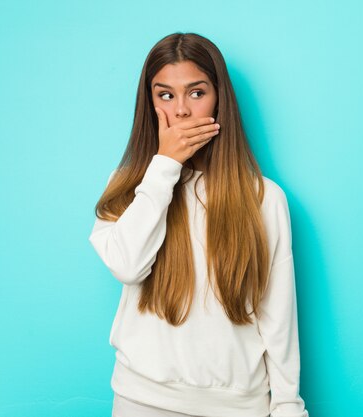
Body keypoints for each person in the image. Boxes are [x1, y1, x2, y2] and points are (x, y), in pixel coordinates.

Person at [88, 32, 309, 417]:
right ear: (150, 102)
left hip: (237, 406)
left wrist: (289, 407)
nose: (182, 111)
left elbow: (279, 314)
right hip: (141, 401)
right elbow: (127, 266)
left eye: (196, 92)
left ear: (219, 97)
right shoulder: (126, 187)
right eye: (166, 95)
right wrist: (164, 167)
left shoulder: (263, 197)